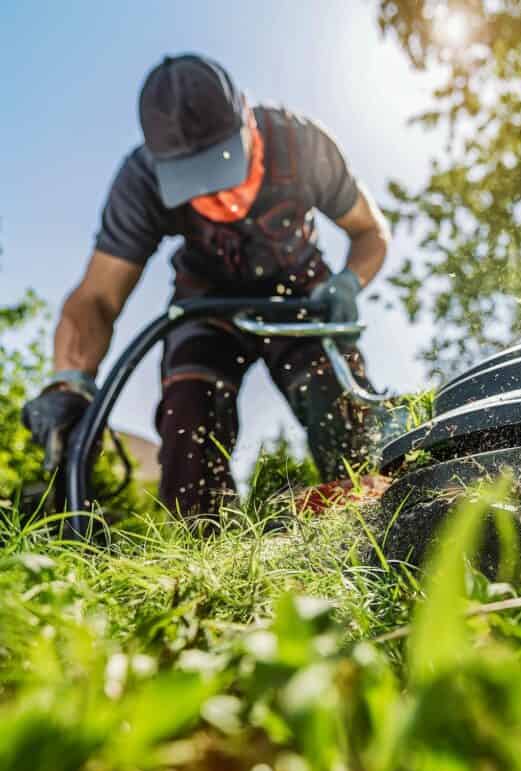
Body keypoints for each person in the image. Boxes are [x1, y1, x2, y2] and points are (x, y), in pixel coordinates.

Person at [22, 53, 389, 515]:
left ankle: (381, 524)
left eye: (226, 170)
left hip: (300, 298)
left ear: (248, 122)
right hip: (205, 304)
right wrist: (68, 383)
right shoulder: (141, 182)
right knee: (187, 431)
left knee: (344, 415)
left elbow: (370, 231)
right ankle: (205, 558)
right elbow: (97, 296)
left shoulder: (302, 144)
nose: (222, 200)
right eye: (198, 184)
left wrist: (349, 282)